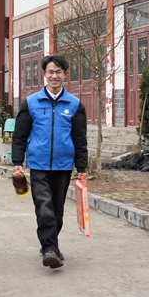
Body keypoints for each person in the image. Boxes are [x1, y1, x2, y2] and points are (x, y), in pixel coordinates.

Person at [12, 54, 88, 269]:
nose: (54, 76)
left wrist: (82, 167)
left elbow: (80, 139)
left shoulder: (74, 105)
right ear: (44, 74)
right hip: (38, 164)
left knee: (57, 210)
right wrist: (18, 161)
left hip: (63, 165)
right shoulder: (31, 103)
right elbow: (20, 135)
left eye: (59, 72)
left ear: (65, 74)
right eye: (50, 72)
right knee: (44, 207)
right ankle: (50, 249)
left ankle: (50, 244)